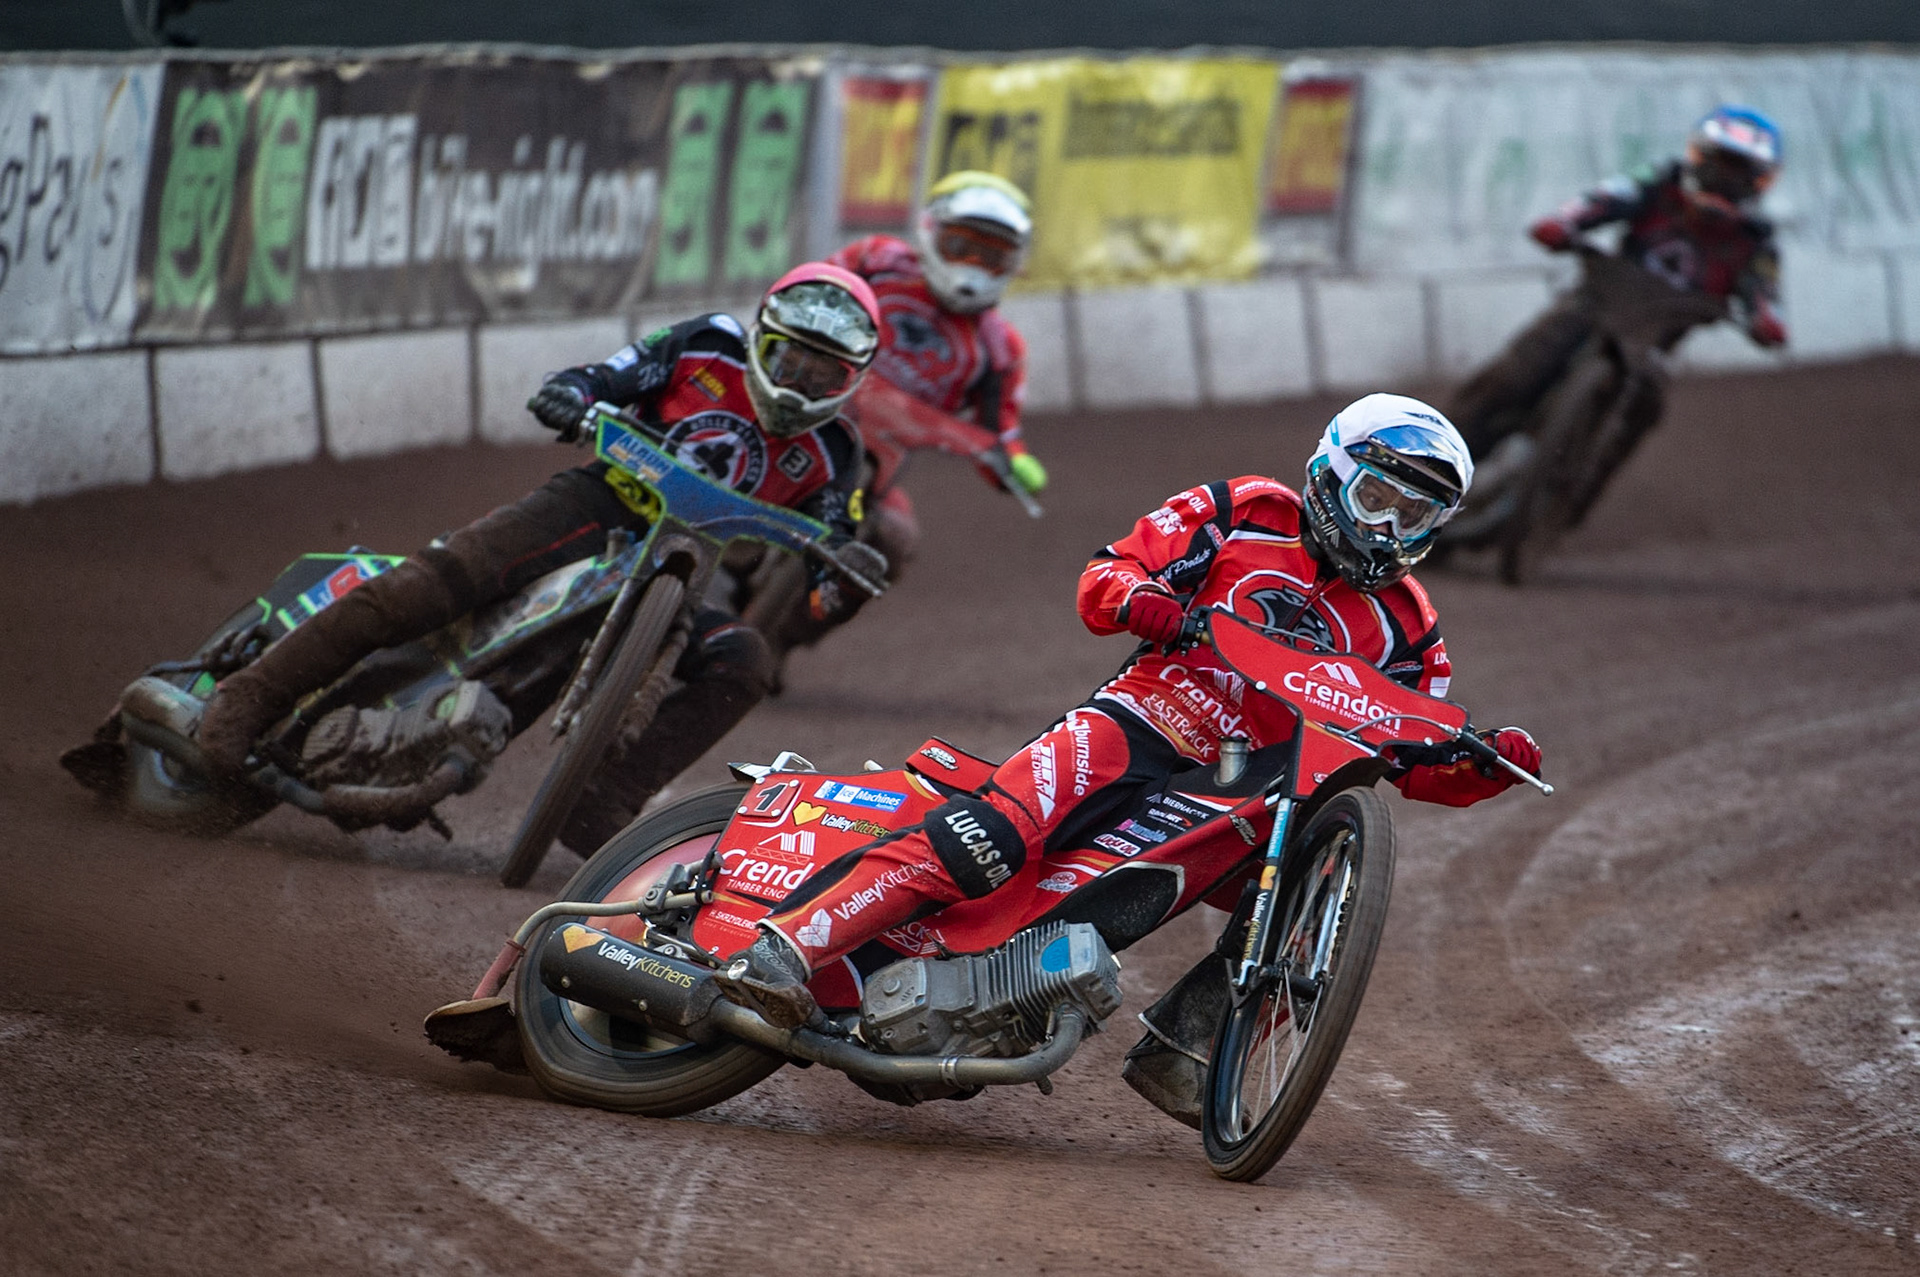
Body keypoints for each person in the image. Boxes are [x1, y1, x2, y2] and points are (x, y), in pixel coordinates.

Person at [714, 393, 1543, 1038]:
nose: (1391, 529)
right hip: (1142, 718)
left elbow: (1418, 744)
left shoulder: (1411, 621)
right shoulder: (1248, 509)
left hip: (1245, 791)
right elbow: (1106, 576)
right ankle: (784, 946)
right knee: (993, 837)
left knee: (1286, 891)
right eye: (1377, 498)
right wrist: (1147, 602)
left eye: (1419, 514)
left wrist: (1484, 760)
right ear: (1329, 471)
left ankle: (1186, 1053)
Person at [194, 262, 888, 854]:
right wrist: (574, 396)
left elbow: (837, 531)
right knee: (429, 586)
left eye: (822, 372)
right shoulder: (707, 344)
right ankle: (248, 696)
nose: (799, 380)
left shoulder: (837, 453)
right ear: (764, 335)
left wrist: (843, 571)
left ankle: (603, 797)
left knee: (745, 659)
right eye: (790, 356)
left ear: (852, 380)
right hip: (596, 504)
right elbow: (605, 375)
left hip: (683, 565)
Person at [1449, 105, 1787, 461]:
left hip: (1653, 344)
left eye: (1740, 172)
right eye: (1721, 164)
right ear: (1698, 156)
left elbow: (1766, 293)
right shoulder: (1661, 182)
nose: (1726, 180)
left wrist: (1766, 320)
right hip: (1597, 304)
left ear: (1760, 181)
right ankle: (1439, 461)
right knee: (1513, 375)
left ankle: (1570, 495)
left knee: (1644, 412)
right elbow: (1607, 198)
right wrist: (1565, 221)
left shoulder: (1756, 240)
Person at [824, 169, 1049, 575]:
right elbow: (806, 294)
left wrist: (1013, 463)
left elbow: (998, 429)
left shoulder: (999, 349)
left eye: (992, 256)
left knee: (894, 544)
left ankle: (786, 630)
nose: (974, 264)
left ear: (1013, 263)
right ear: (931, 231)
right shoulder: (876, 262)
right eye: (960, 245)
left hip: (879, 459)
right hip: (800, 406)